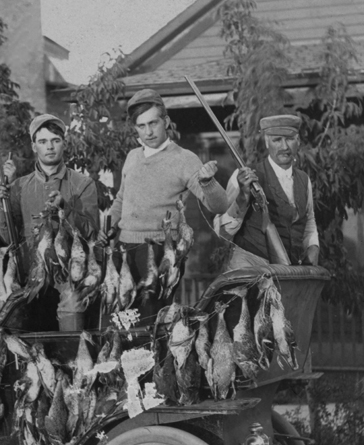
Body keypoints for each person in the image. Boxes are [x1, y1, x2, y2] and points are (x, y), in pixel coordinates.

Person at [108, 88, 231, 320]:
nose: (148, 132)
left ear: (165, 121)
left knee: (153, 322)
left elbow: (220, 205)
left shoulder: (184, 159)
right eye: (141, 126)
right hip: (123, 250)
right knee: (121, 322)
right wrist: (108, 227)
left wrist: (207, 182)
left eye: (153, 123)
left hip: (160, 253)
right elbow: (121, 199)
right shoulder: (133, 156)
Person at [0, 113, 99, 331]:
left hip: (69, 274)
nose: (49, 147)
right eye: (42, 141)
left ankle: (72, 359)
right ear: (34, 147)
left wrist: (65, 208)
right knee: (8, 313)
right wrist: (0, 206)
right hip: (28, 275)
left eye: (55, 140)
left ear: (64, 143)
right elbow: (6, 236)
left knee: (72, 304)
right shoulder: (18, 187)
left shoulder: (83, 184)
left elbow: (91, 232)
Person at [215, 113, 320, 268]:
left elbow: (308, 222)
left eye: (289, 139)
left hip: (289, 270)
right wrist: (242, 198)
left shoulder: (304, 180)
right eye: (277, 140)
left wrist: (314, 248)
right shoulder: (243, 176)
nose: (284, 147)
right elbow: (222, 231)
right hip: (251, 267)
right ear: (266, 142)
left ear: (298, 141)